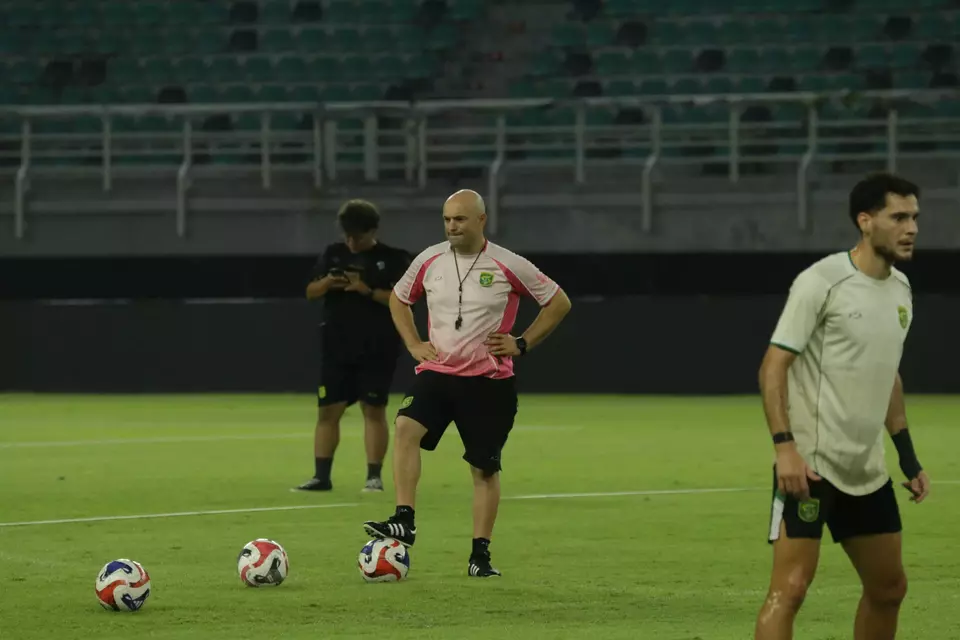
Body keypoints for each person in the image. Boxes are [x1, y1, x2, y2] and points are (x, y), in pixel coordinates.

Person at [755, 172, 931, 640]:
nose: (911, 228)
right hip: (811, 467)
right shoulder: (822, 282)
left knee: (889, 588)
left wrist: (908, 456)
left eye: (914, 217)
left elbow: (888, 373)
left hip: (866, 470)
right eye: (899, 217)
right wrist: (785, 449)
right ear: (865, 221)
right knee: (790, 590)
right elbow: (773, 367)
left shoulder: (901, 290)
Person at [360, 189, 572, 577]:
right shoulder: (429, 259)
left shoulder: (508, 263)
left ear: (481, 220)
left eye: (459, 219)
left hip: (489, 383)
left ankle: (480, 556)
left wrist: (522, 343)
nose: (452, 226)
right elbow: (398, 298)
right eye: (447, 219)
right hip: (438, 373)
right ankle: (404, 519)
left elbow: (558, 301)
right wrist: (413, 343)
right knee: (405, 427)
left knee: (483, 471)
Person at [294, 199, 412, 493]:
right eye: (347, 236)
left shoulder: (393, 258)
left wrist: (366, 290)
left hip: (377, 346)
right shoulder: (332, 254)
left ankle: (373, 477)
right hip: (336, 346)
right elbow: (310, 291)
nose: (351, 242)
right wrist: (327, 283)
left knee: (373, 409)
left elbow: (404, 299)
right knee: (327, 411)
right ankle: (321, 477)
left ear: (372, 231)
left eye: (357, 237)